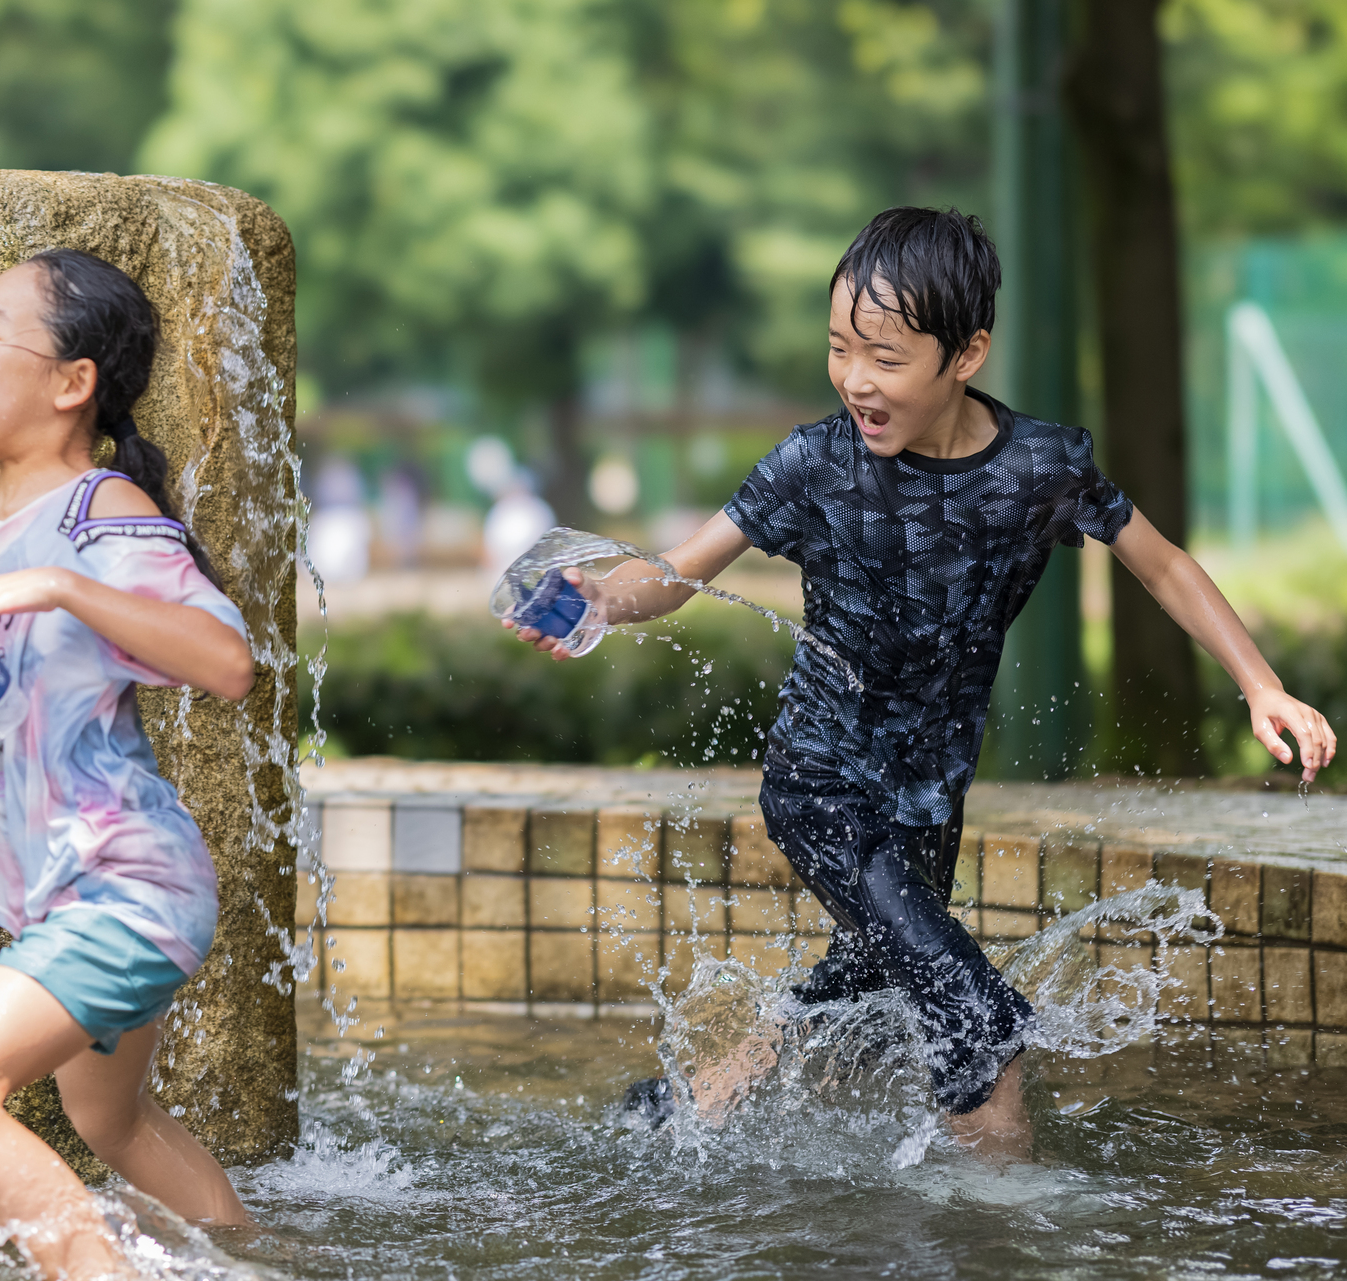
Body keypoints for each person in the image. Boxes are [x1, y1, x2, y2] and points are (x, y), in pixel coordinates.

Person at [510, 208, 1337, 1157]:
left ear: (967, 353)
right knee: (973, 1011)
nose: (857, 380)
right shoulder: (815, 463)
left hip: (928, 801)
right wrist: (602, 601)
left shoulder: (1038, 467)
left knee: (872, 970)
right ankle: (1011, 1223)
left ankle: (690, 1110)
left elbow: (1162, 565)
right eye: (838, 349)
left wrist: (1261, 686)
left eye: (886, 357)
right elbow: (682, 569)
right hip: (820, 787)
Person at [0, 248, 255, 1281]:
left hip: (126, 892)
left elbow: (226, 664)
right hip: (63, 891)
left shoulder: (103, 519)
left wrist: (57, 586)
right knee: (110, 1119)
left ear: (70, 382)